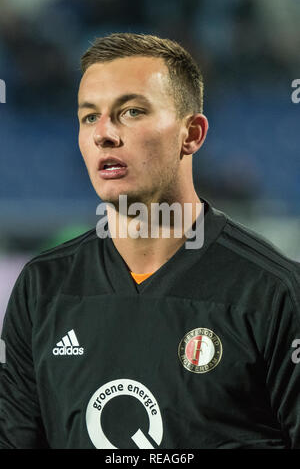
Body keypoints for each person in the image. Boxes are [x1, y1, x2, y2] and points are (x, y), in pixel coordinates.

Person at [1, 32, 300, 450]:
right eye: (89, 117)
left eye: (132, 112)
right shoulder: (42, 289)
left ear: (191, 134)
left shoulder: (275, 293)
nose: (104, 133)